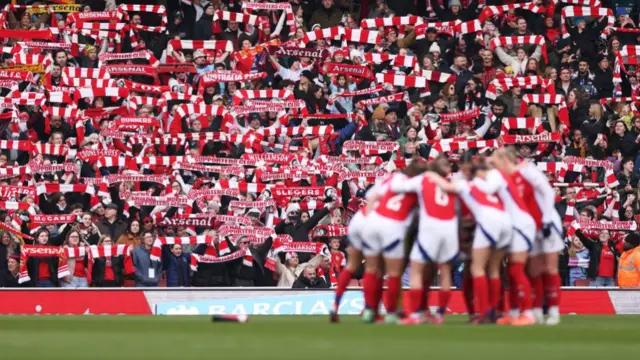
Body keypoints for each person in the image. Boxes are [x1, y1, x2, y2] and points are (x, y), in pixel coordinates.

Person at [426, 158, 512, 324]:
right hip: (500, 222)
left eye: (468, 170)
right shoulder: (488, 184)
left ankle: (488, 312)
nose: (465, 173)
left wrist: (429, 173)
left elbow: (446, 188)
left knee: (479, 269)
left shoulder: (466, 185)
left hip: (484, 224)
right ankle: (488, 311)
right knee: (487, 270)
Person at [389, 156, 457, 325]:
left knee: (416, 270)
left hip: (431, 227)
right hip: (450, 227)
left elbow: (398, 186)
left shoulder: (423, 179)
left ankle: (417, 314)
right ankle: (440, 314)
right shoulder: (452, 182)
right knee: (446, 272)